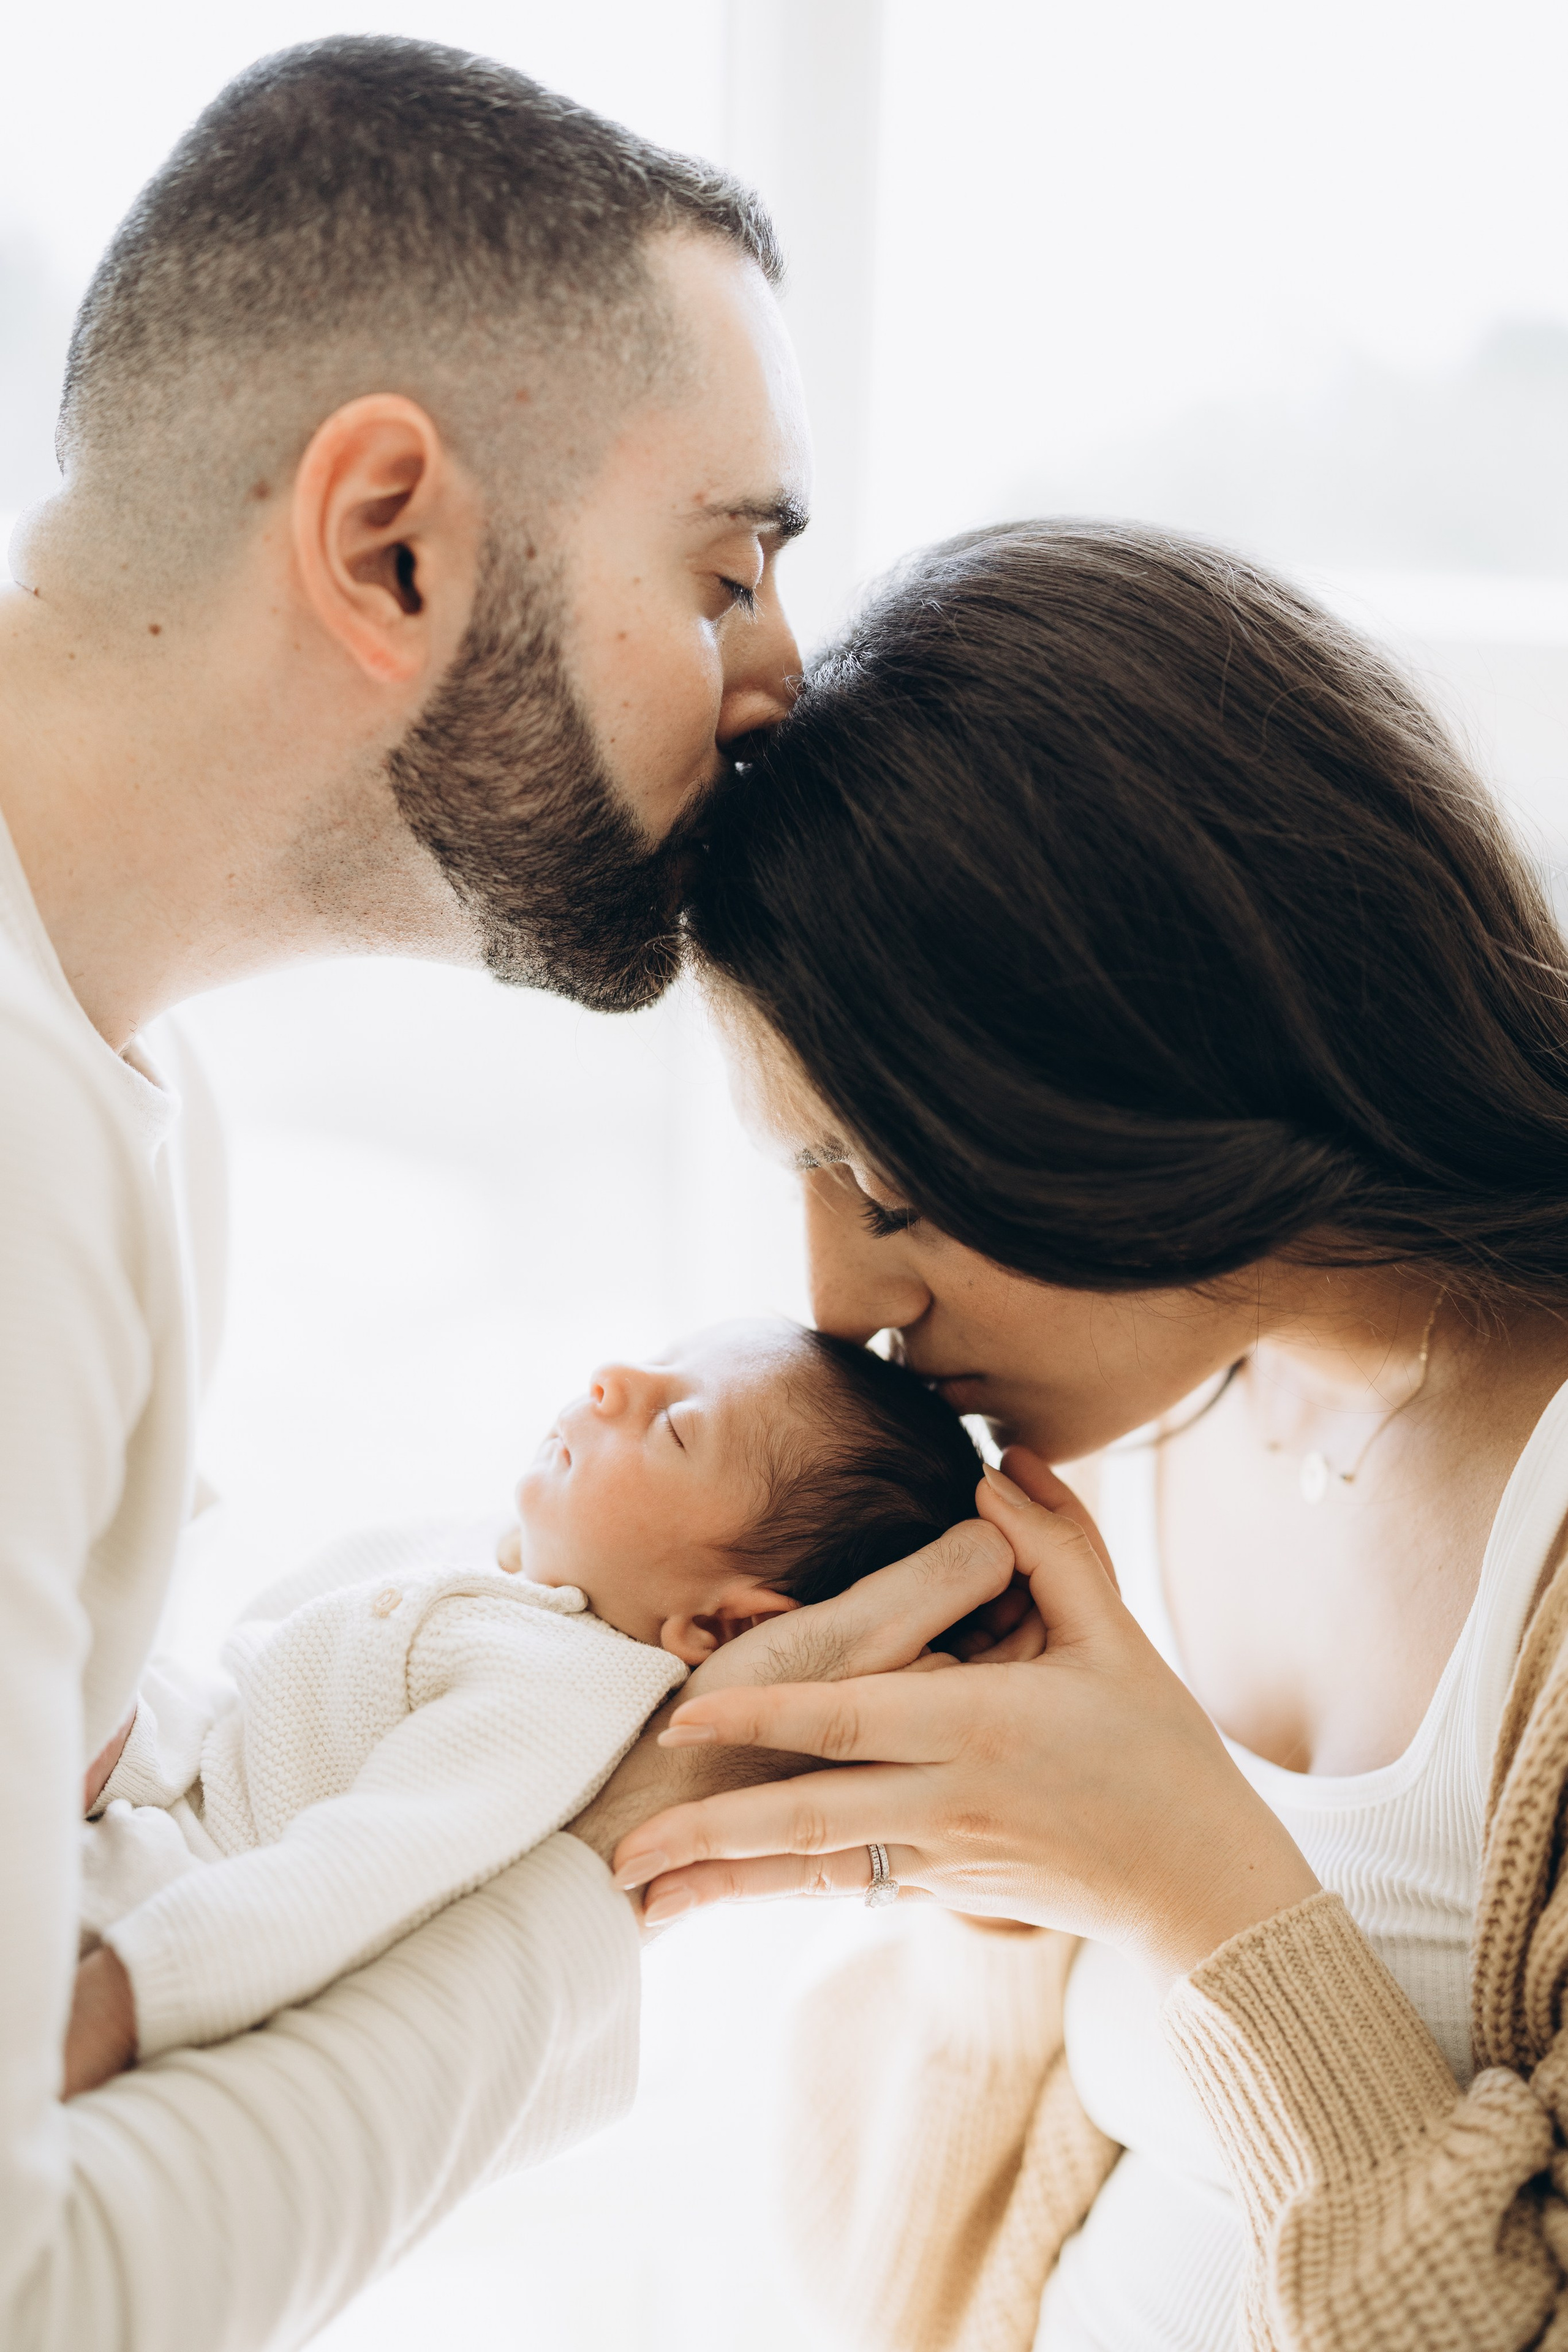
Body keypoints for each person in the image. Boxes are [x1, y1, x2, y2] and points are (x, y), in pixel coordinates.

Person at [0, 39, 1016, 2351]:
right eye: (730, 565)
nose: (784, 679)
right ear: (394, 542)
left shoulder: (133, 1088)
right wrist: (610, 1868)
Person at [614, 520, 1568, 2349]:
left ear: (1146, 1065)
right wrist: (990, 1901)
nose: (832, 1301)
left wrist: (1190, 1886)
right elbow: (930, 2276)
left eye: (883, 1184)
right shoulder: (1111, 1437)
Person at [68, 1319, 984, 2095]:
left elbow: (350, 1878)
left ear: (719, 1622)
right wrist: (124, 1740)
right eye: (653, 1361)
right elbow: (242, 1695)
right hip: (133, 1801)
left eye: (672, 1426)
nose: (610, 1381)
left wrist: (121, 1999)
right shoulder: (484, 1556)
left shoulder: (561, 1697)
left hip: (169, 1911)